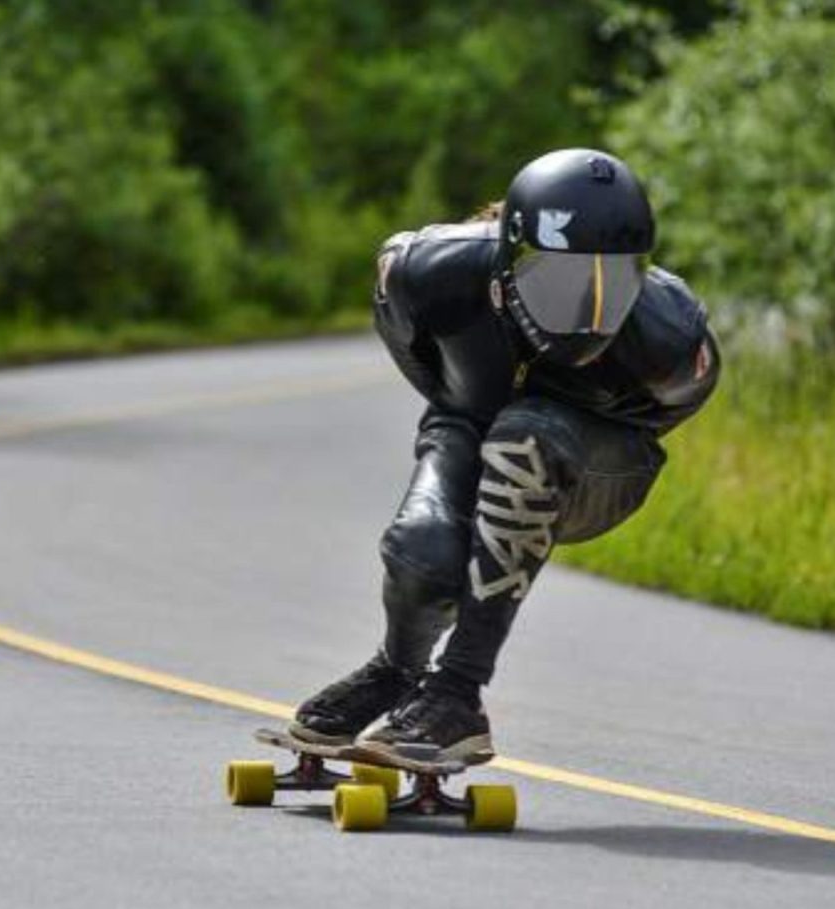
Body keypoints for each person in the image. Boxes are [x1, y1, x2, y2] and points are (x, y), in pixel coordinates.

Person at [290, 148, 720, 767]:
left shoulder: (671, 333)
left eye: (613, 285)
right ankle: (395, 673)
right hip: (469, 422)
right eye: (562, 283)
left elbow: (674, 410)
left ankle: (457, 694)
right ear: (509, 262)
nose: (589, 313)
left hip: (600, 463)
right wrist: (464, 416)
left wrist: (568, 448)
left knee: (528, 437)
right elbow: (417, 357)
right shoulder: (423, 271)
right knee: (422, 551)